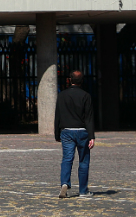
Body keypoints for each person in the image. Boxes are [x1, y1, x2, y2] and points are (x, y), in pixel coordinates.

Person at [55, 70, 95, 199]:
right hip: (82, 131)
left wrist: (57, 133)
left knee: (67, 158)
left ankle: (65, 183)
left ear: (69, 80)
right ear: (82, 81)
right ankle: (83, 190)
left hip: (66, 131)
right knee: (83, 160)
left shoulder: (62, 95)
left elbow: (58, 116)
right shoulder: (86, 96)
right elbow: (89, 118)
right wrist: (91, 136)